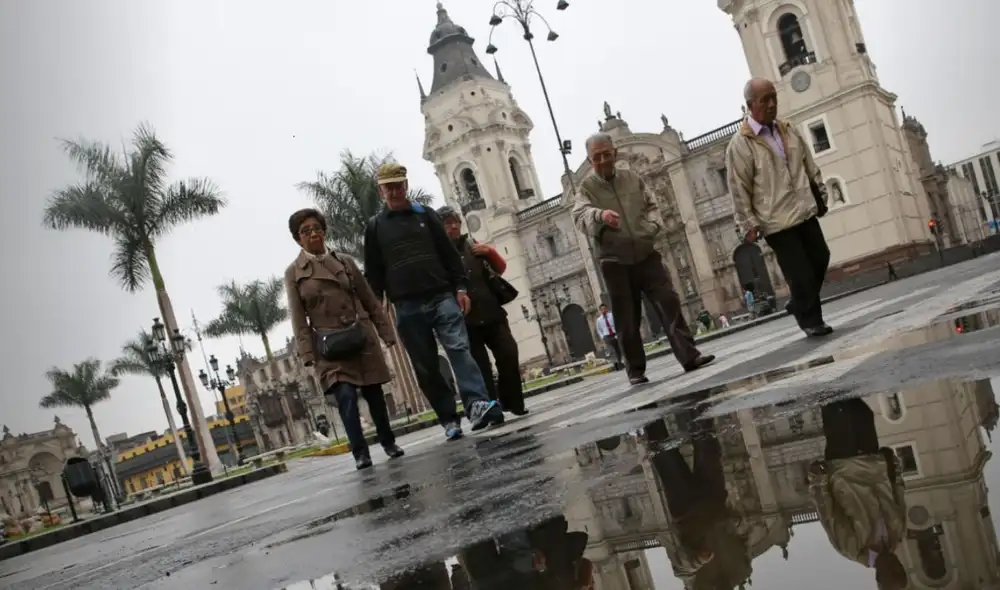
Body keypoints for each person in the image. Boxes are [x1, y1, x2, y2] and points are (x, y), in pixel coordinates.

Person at [363, 162, 505, 440]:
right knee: (425, 364)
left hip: (441, 296)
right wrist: (377, 307)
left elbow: (449, 255)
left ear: (405, 186)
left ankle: (476, 404)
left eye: (398, 185)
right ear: (381, 192)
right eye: (388, 187)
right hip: (406, 305)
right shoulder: (375, 227)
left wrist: (461, 289)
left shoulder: (427, 217)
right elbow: (374, 272)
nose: (394, 191)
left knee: (459, 349)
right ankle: (448, 419)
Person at [572, 132, 715, 385]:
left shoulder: (632, 179)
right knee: (627, 317)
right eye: (597, 157)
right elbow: (580, 216)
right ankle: (635, 370)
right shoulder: (586, 189)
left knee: (669, 302)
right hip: (614, 261)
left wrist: (652, 228)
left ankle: (690, 356)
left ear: (615, 153)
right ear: (589, 160)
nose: (603, 160)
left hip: (646, 253)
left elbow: (652, 206)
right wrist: (600, 216)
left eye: (607, 154)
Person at [285, 208, 404, 471]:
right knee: (346, 397)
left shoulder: (346, 263)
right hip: (330, 347)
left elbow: (369, 300)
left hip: (361, 337)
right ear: (298, 239)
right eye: (306, 231)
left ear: (324, 232)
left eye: (317, 228)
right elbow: (298, 318)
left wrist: (386, 332)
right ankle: (360, 453)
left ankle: (388, 442)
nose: (313, 234)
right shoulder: (294, 273)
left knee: (375, 394)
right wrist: (307, 355)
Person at [726, 77, 834, 337]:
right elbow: (739, 188)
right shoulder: (740, 145)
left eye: (774, 97)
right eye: (765, 100)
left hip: (804, 209)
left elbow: (809, 165)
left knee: (821, 258)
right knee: (800, 272)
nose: (772, 104)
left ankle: (799, 302)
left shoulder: (789, 129)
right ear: (750, 105)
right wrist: (748, 223)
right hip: (776, 221)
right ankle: (811, 321)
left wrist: (820, 195)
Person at [809, 398, 909, 589]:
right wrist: (894, 467)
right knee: (861, 411)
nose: (897, 565)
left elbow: (828, 514)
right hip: (872, 460)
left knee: (837, 408)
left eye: (893, 573)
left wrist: (817, 481)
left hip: (844, 465)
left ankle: (815, 373)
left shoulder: (852, 548)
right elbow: (898, 495)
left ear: (878, 578)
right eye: (901, 570)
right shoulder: (898, 533)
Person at [437, 206, 528, 416]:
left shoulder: (472, 245)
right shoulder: (440, 256)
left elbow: (500, 268)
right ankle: (492, 409)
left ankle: (513, 402)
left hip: (491, 312)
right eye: (448, 223)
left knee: (508, 353)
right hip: (465, 321)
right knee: (480, 367)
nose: (453, 226)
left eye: (456, 222)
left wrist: (490, 252)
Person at [594, 303, 623, 371]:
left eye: (604, 309)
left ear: (607, 309)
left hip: (614, 333)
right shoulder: (599, 320)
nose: (603, 310)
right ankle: (615, 363)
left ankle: (619, 362)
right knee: (611, 350)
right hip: (607, 336)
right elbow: (599, 329)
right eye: (602, 309)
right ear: (600, 311)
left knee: (617, 349)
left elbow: (617, 323)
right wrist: (602, 336)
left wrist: (617, 333)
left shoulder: (612, 315)